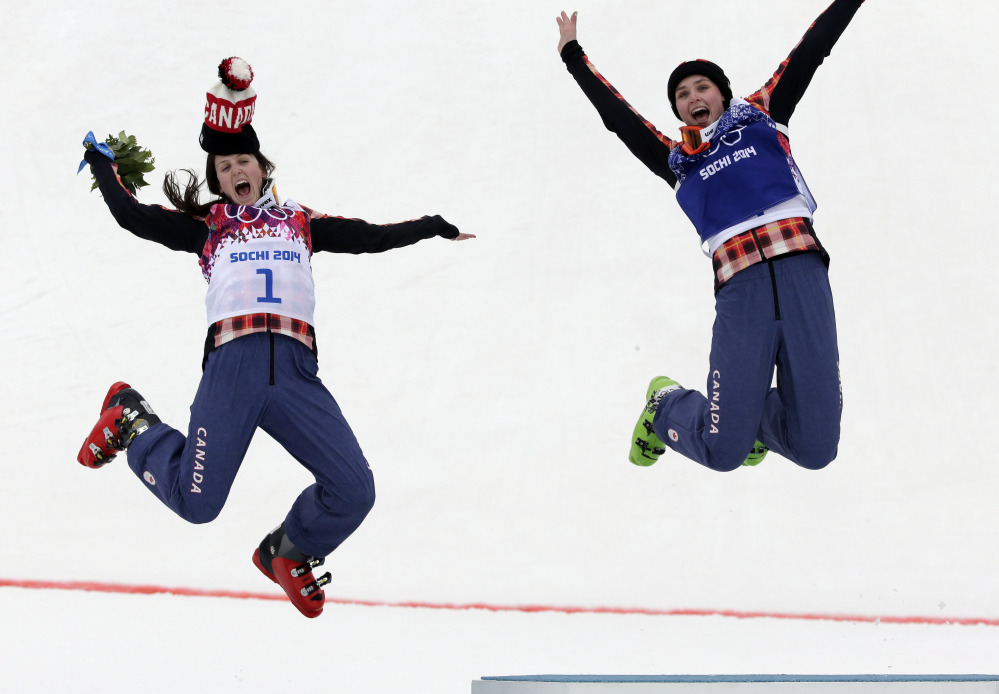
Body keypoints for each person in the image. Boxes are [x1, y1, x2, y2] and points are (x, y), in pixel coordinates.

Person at [77, 57, 474, 618]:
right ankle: (131, 421)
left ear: (262, 168)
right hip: (233, 371)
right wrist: (102, 164)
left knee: (354, 490)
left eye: (245, 161)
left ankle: (288, 551)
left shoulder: (301, 222)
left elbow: (371, 237)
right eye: (224, 166)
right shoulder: (208, 226)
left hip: (294, 376)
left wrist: (431, 224)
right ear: (215, 181)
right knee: (197, 505)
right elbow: (132, 216)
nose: (236, 170)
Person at [555, 1, 865, 473]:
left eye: (702, 86)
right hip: (743, 291)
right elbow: (618, 118)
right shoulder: (677, 160)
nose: (693, 95)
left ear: (722, 94)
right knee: (725, 453)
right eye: (682, 93)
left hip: (804, 275)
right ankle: (666, 406)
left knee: (817, 450)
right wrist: (574, 56)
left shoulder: (763, 114)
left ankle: (753, 418)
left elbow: (811, 49)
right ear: (679, 108)